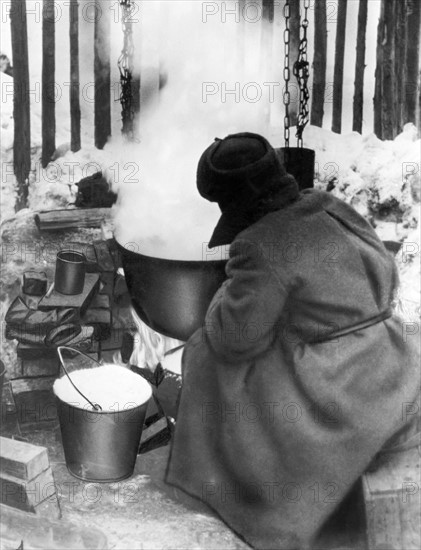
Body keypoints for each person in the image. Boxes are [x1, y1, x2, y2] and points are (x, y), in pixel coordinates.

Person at [165, 132, 420, 550]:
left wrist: (221, 299)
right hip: (395, 366)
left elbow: (235, 339)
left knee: (206, 353)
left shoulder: (258, 244)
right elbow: (379, 274)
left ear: (233, 200)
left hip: (342, 388)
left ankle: (241, 487)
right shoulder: (328, 205)